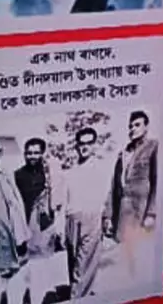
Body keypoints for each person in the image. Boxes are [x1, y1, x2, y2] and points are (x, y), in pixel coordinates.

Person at [14, 137, 65, 304]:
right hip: (26, 223)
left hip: (45, 225)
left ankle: (44, 295)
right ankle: (35, 296)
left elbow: (57, 200)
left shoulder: (49, 174)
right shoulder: (18, 175)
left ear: (42, 154)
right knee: (30, 264)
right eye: (29, 153)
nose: (32, 156)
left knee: (45, 263)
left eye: (36, 152)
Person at [109, 112, 158, 285]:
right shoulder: (124, 152)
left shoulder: (153, 147)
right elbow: (114, 186)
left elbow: (156, 180)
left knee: (141, 253)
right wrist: (108, 216)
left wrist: (152, 213)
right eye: (130, 125)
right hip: (123, 209)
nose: (132, 129)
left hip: (142, 209)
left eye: (137, 125)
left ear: (146, 126)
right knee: (124, 253)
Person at [64, 127, 112, 298]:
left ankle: (77, 297)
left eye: (88, 143)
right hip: (71, 218)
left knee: (84, 263)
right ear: (77, 146)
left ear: (94, 145)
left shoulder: (102, 168)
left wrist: (107, 218)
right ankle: (80, 293)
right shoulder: (70, 171)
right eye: (81, 143)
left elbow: (108, 195)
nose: (84, 147)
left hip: (92, 218)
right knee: (74, 261)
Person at [0, 139, 30, 304]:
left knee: (10, 276)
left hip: (7, 236)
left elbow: (17, 204)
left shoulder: (4, 177)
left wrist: (21, 233)